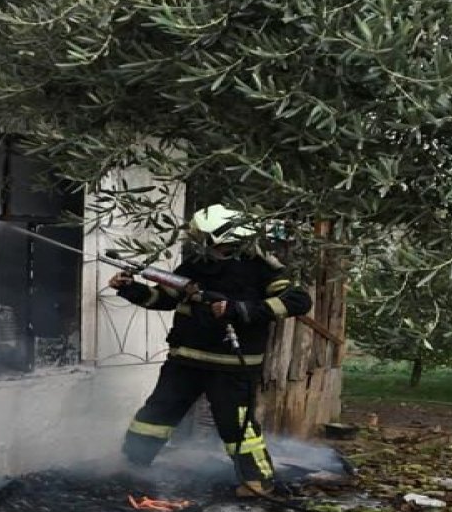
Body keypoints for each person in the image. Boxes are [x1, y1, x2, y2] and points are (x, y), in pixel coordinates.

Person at [110, 204, 312, 496]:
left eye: (203, 235)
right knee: (155, 414)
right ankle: (132, 464)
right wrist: (129, 288)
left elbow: (298, 301)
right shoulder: (195, 265)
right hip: (185, 360)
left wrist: (242, 309)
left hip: (232, 365)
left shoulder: (261, 267)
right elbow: (164, 298)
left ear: (221, 235)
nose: (197, 241)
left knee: (237, 427)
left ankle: (258, 482)